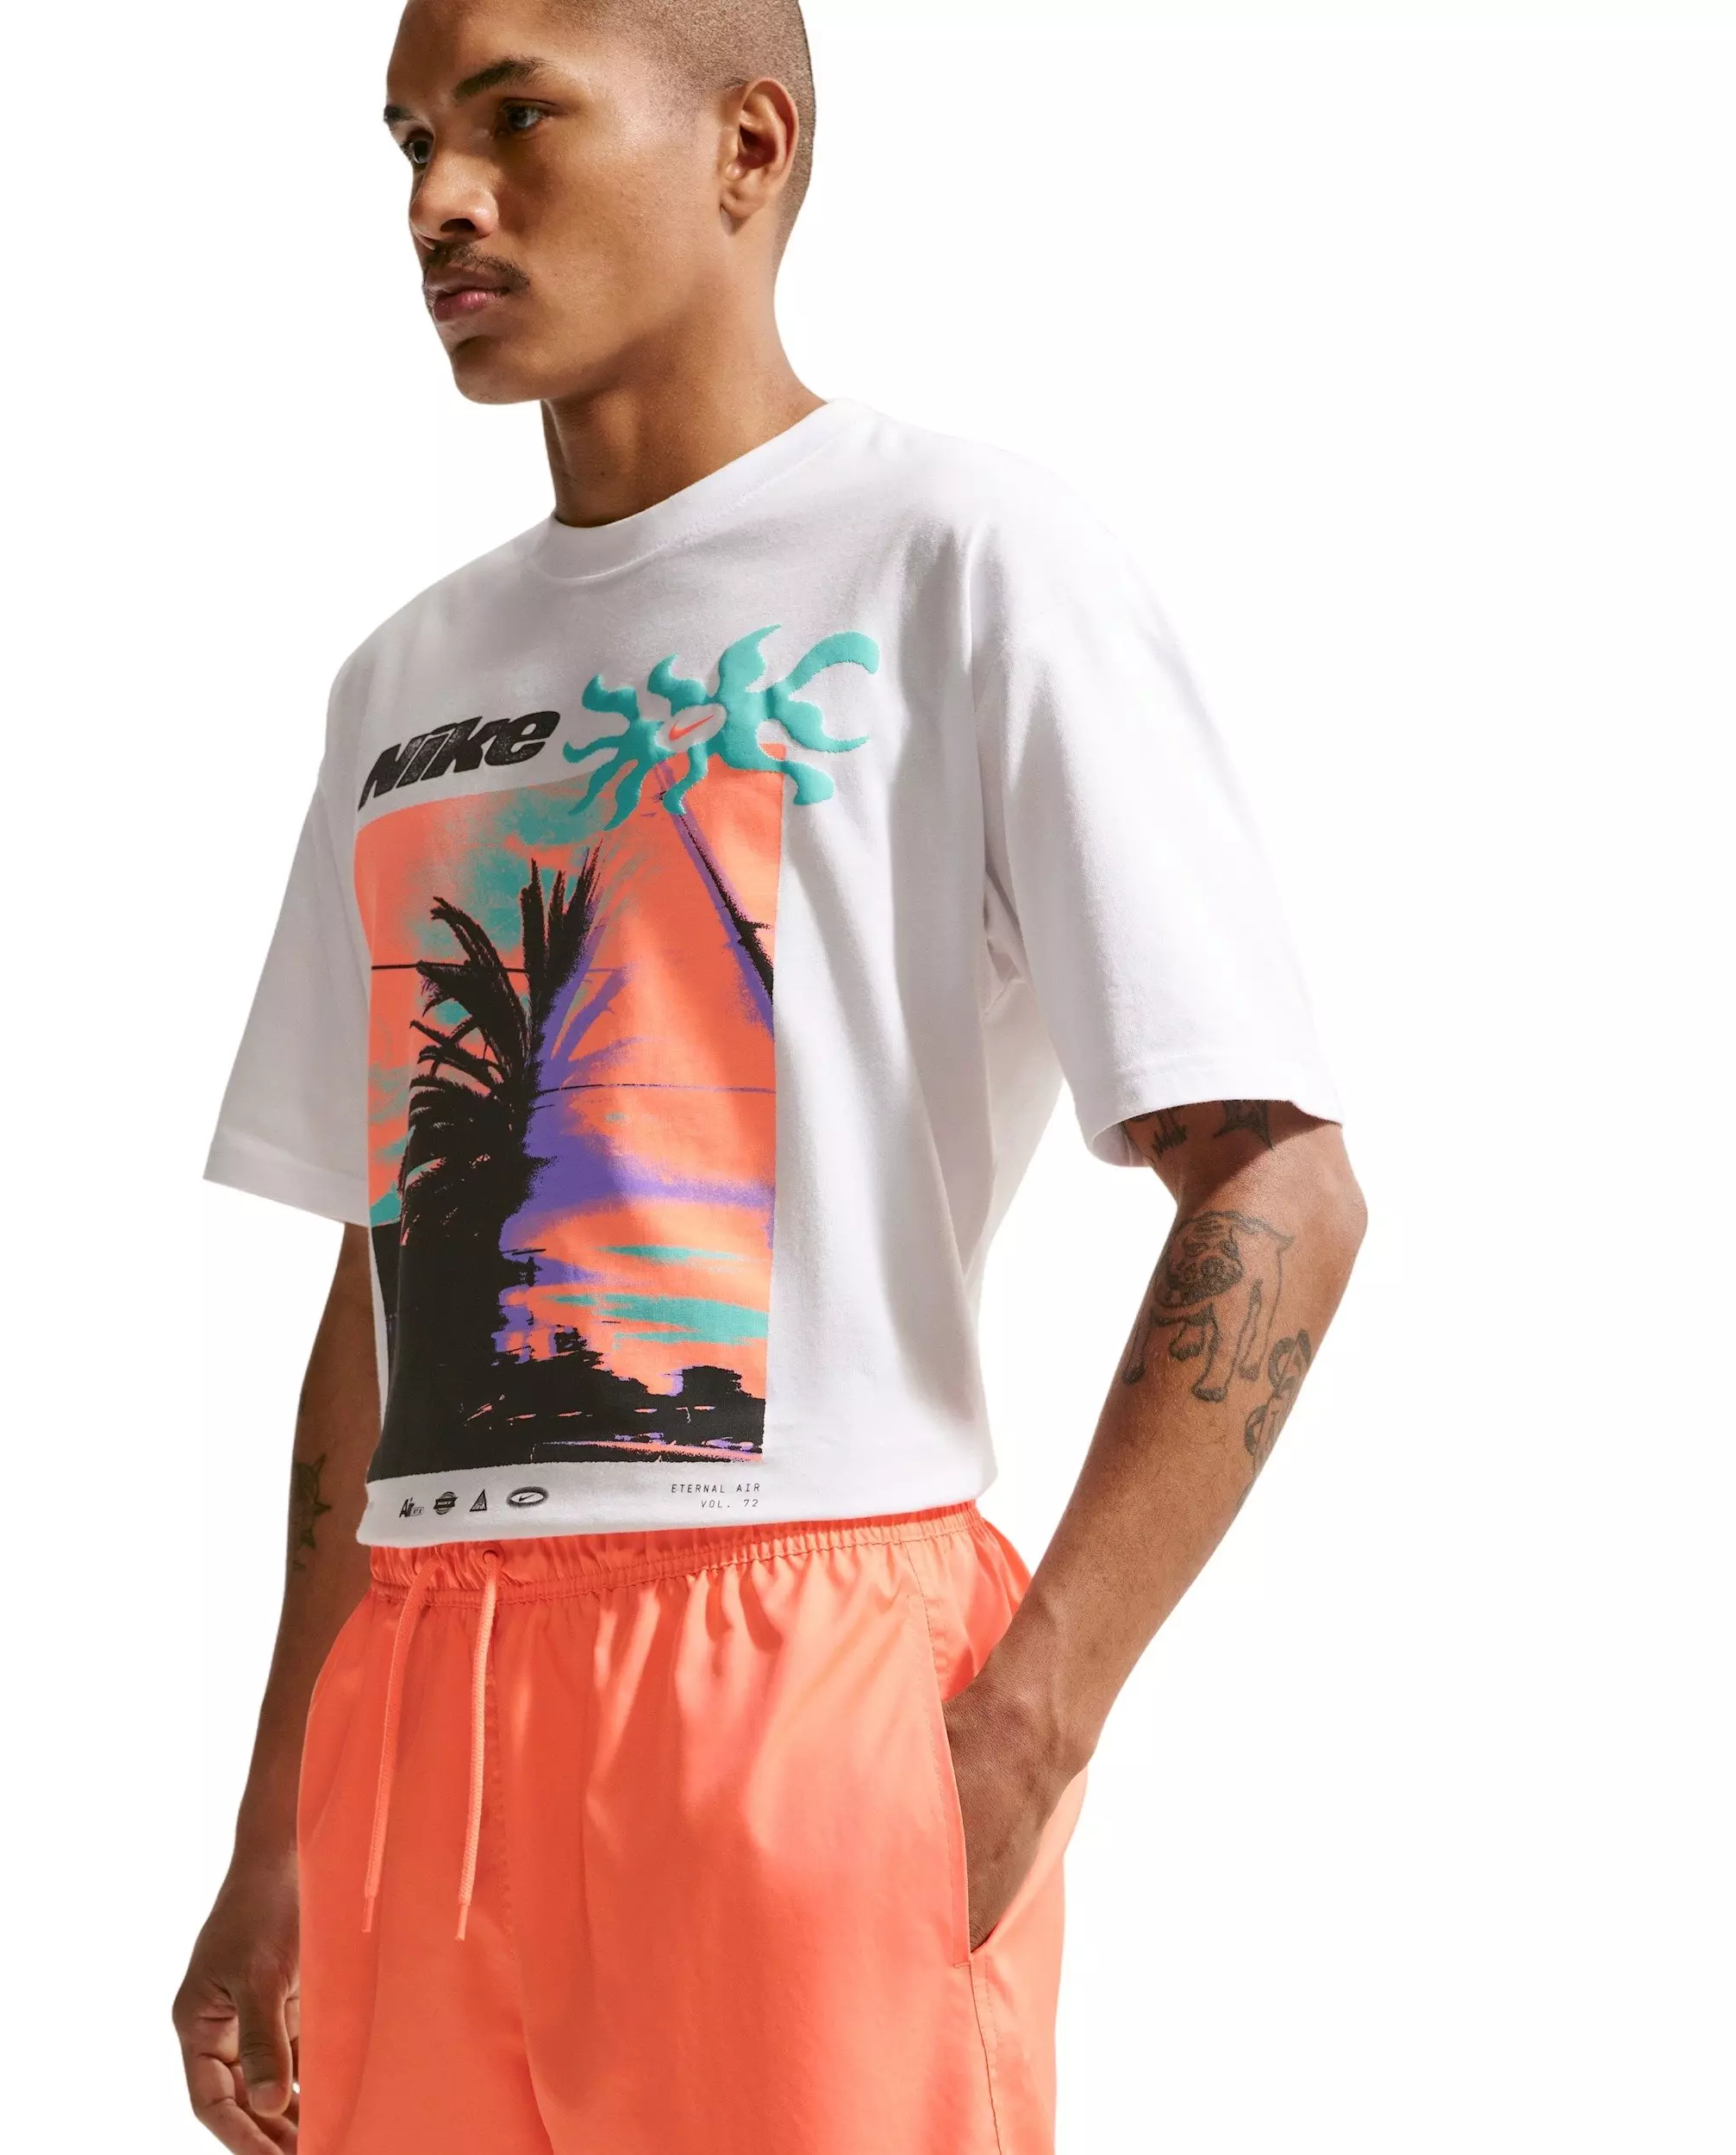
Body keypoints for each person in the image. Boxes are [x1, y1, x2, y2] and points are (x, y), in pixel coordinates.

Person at [172, 0, 1367, 2148]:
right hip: (422, 1696)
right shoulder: (401, 680)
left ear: (748, 145)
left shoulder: (957, 556)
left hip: (797, 1657)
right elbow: (383, 1267)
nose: (442, 198)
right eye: (410, 139)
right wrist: (274, 1822)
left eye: (515, 118)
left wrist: (1029, 1719)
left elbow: (1277, 1182)